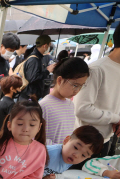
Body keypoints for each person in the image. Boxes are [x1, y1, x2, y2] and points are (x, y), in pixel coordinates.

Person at [74, 28, 120, 160]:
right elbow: (82, 109)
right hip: (82, 146)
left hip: (105, 141)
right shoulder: (97, 69)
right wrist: (116, 118)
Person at [39, 57, 89, 146]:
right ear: (59, 80)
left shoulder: (70, 104)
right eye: (75, 85)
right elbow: (35, 138)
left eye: (81, 86)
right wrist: (60, 148)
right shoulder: (44, 106)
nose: (77, 90)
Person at [19, 35, 53, 101]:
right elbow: (32, 78)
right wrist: (47, 71)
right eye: (49, 45)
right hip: (29, 98)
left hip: (32, 96)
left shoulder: (38, 58)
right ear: (45, 46)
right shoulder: (34, 60)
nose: (49, 48)